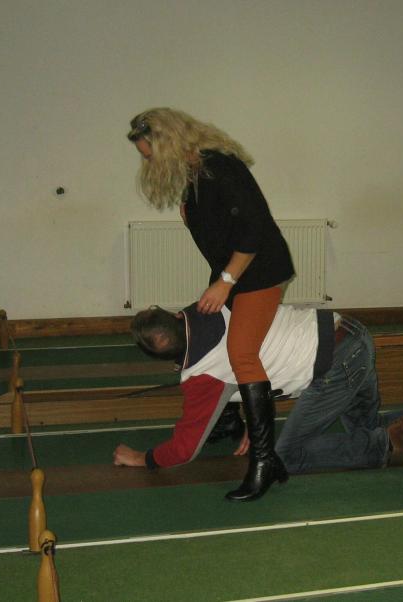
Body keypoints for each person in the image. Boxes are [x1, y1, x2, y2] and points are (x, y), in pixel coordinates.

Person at [113, 304, 403, 499]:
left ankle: (392, 442)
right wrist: (250, 414)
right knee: (363, 431)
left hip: (332, 366)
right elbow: (248, 365)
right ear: (175, 315)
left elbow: (184, 449)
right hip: (351, 332)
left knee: (281, 458)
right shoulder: (210, 305)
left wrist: (144, 459)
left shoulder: (201, 378)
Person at [127, 108, 295, 501]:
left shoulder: (221, 168)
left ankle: (265, 460)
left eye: (150, 154)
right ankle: (228, 420)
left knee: (242, 353)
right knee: (205, 332)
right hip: (234, 273)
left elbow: (254, 229)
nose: (148, 163)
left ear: (169, 143)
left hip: (260, 271)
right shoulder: (194, 177)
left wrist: (226, 283)